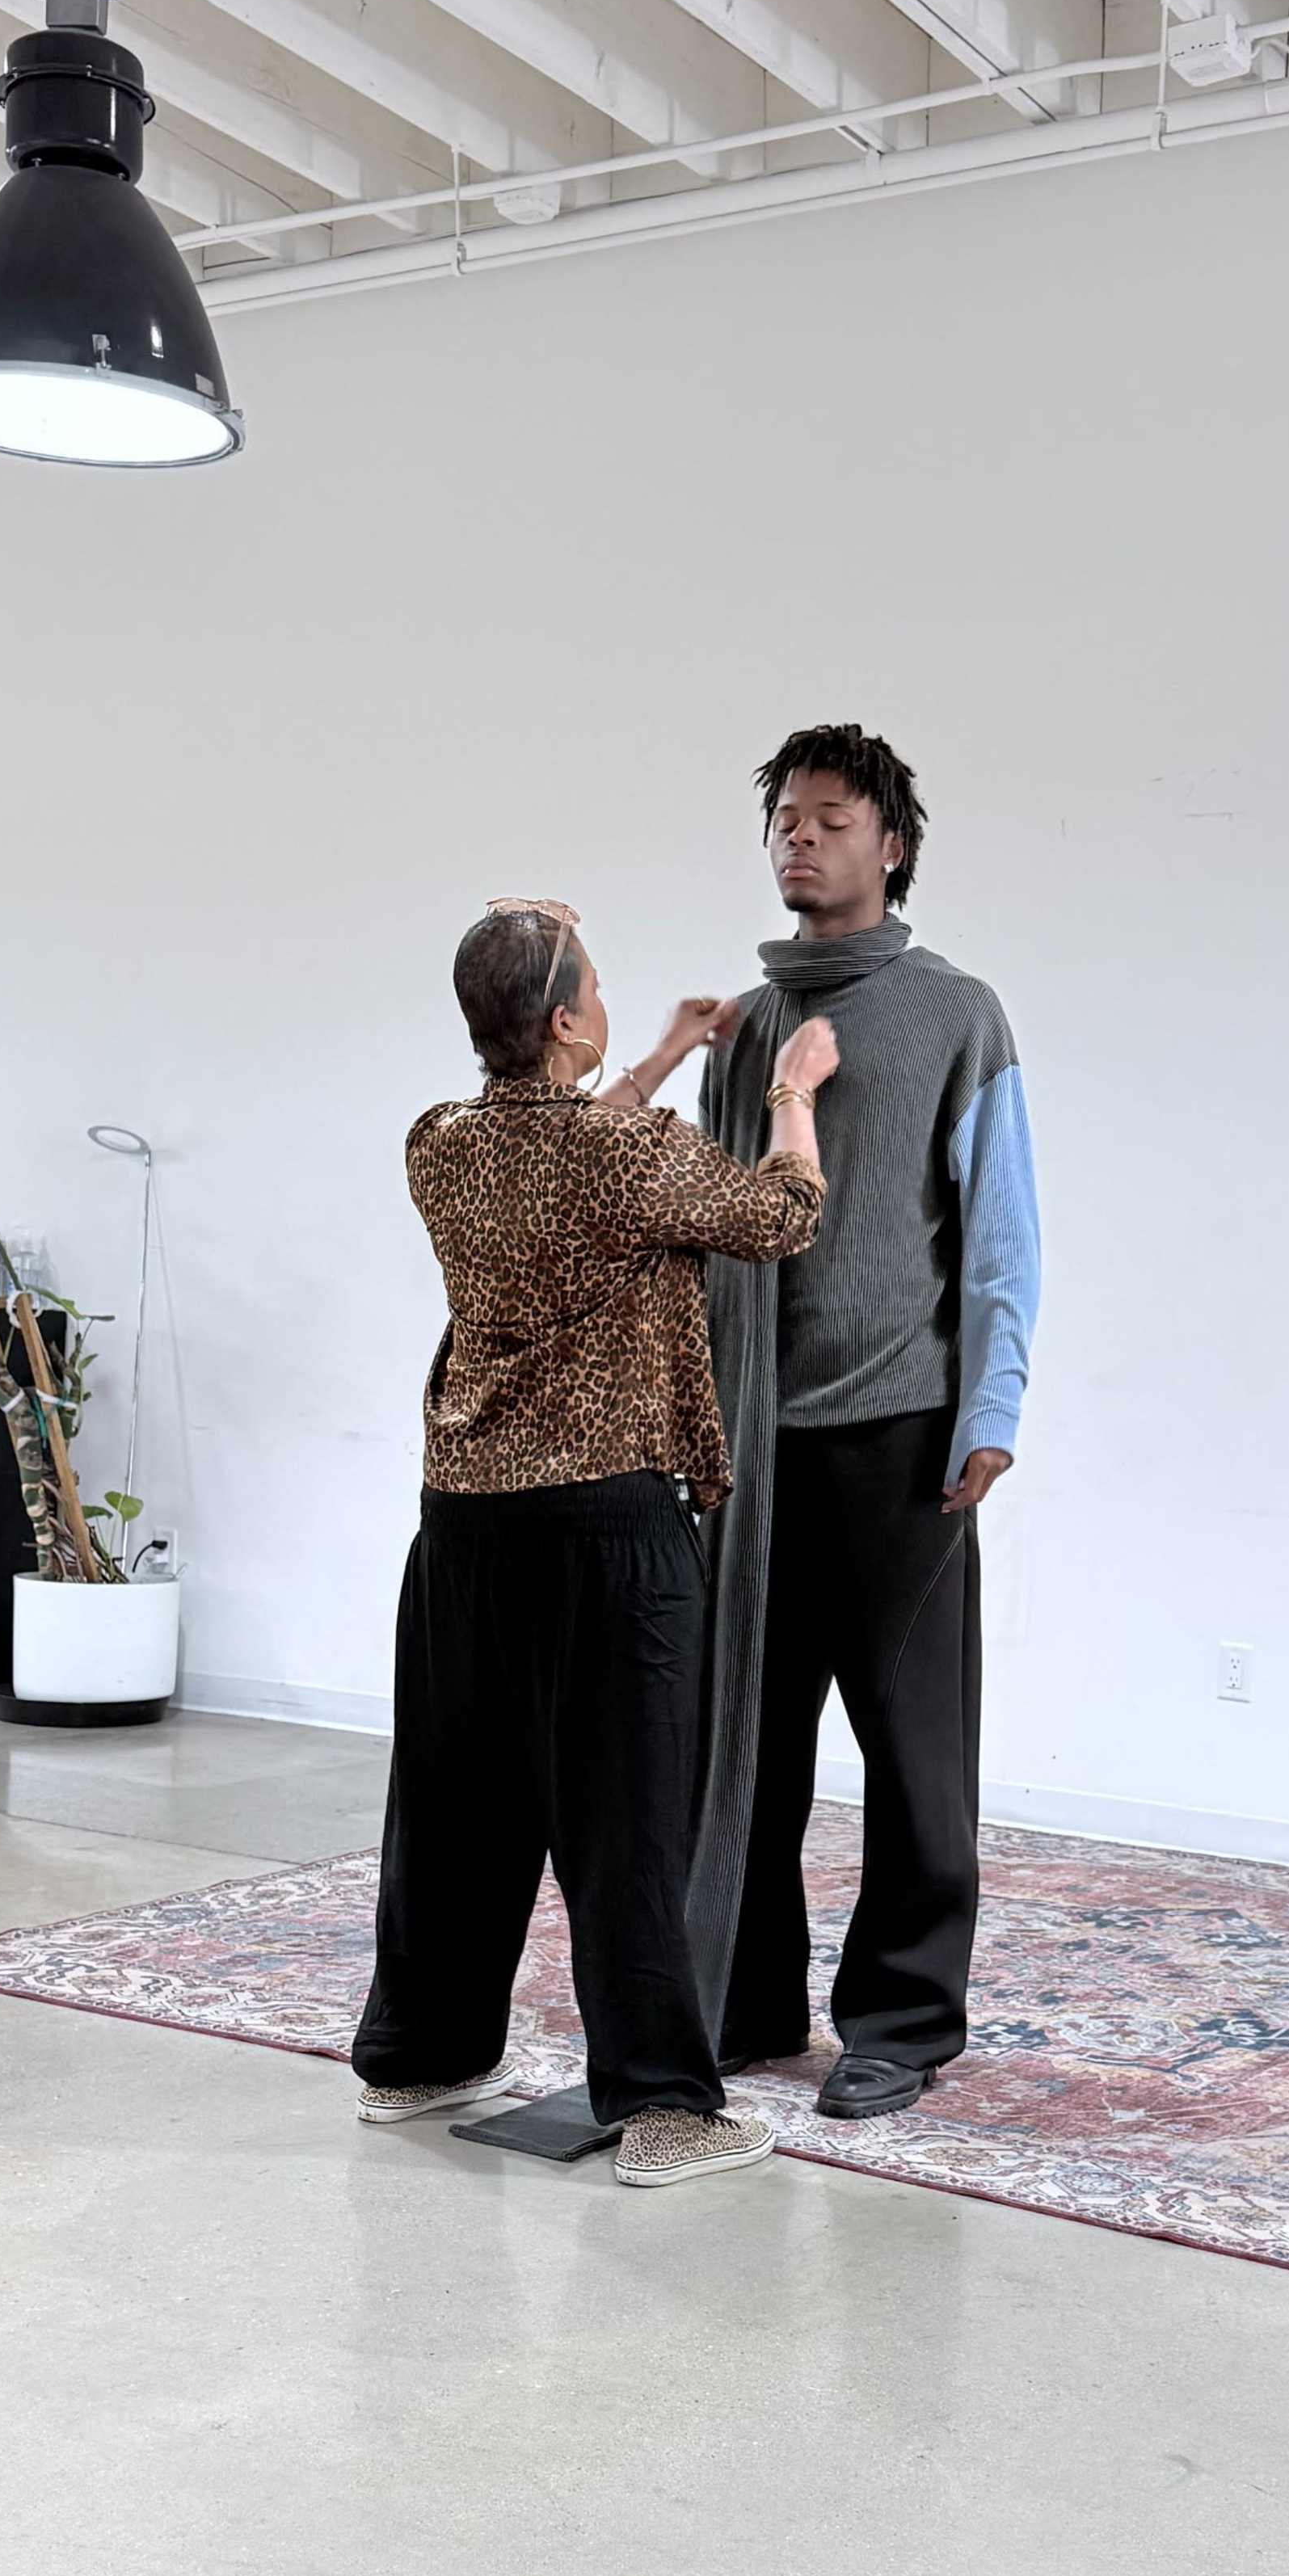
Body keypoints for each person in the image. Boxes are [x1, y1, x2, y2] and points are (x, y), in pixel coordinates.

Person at [352, 896, 839, 2186]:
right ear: (566, 1018)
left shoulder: (438, 1144)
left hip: (462, 1526)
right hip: (606, 1531)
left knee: (456, 1803)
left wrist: (661, 1055)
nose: (616, 1006)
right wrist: (793, 1094)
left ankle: (421, 2054)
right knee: (628, 1821)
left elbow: (557, 1158)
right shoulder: (632, 1162)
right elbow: (781, 1218)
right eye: (600, 990)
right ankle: (667, 2110)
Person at [692, 727, 1040, 2123]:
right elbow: (709, 1232)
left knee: (913, 1747)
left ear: (890, 845)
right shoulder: (751, 1027)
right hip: (750, 1438)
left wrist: (994, 1403)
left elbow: (1002, 1229)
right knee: (749, 1737)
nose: (801, 838)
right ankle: (747, 1998)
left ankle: (902, 2019)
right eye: (786, 818)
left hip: (903, 1434)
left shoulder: (958, 1015)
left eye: (832, 818)